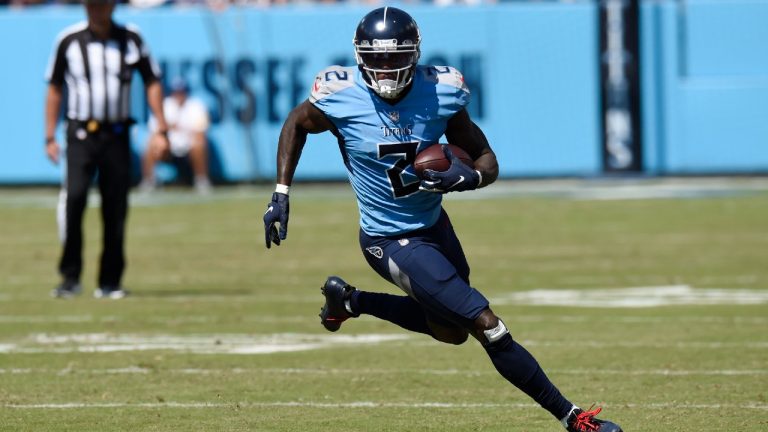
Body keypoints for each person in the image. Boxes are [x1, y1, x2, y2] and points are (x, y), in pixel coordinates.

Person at [263, 7, 623, 432]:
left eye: (395, 57)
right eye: (375, 59)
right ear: (360, 57)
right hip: (389, 239)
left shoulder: (442, 93)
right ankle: (573, 418)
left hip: (435, 228)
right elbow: (296, 123)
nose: (385, 68)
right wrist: (281, 191)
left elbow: (487, 160)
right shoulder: (340, 96)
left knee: (450, 331)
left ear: (414, 55)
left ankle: (350, 301)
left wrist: (467, 177)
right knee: (488, 326)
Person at [45, 0, 170, 299]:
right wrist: (49, 135)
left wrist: (161, 127)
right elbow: (54, 87)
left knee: (115, 206)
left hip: (116, 133)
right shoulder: (69, 40)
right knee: (74, 199)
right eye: (90, 5)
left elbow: (152, 80)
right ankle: (70, 277)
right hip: (79, 133)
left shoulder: (131, 38)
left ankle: (110, 281)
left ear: (112, 6)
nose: (95, 10)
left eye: (100, 5)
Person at [140, 76, 213, 195]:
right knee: (150, 144)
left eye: (181, 91)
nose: (179, 95)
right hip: (168, 147)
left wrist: (175, 127)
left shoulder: (196, 106)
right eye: (176, 92)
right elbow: (154, 130)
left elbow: (201, 131)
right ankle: (149, 180)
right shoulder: (164, 105)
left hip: (189, 147)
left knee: (199, 144)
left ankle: (201, 180)